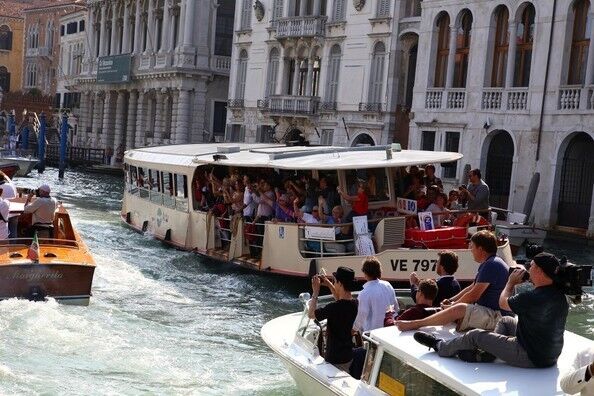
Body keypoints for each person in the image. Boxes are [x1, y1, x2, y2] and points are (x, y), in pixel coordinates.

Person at [413, 253, 570, 368]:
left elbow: (502, 303)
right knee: (506, 320)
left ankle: (440, 346)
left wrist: (510, 283)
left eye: (533, 266)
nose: (529, 268)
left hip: (529, 355)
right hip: (550, 355)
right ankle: (487, 353)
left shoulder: (532, 297)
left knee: (475, 335)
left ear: (541, 272)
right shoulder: (559, 295)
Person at [396, 230, 509, 332]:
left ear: (480, 249)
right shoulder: (492, 263)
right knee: (457, 308)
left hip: (496, 316)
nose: (471, 250)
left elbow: (473, 295)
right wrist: (451, 301)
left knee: (460, 308)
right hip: (492, 313)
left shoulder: (491, 265)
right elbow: (471, 288)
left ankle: (415, 324)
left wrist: (453, 305)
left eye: (472, 246)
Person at [308, 266, 358, 372]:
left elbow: (311, 314)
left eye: (334, 281)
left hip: (335, 359)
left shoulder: (333, 307)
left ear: (340, 283)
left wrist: (315, 292)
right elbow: (340, 299)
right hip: (348, 356)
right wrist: (329, 284)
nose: (334, 283)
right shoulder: (355, 303)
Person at [353, 257, 398, 332]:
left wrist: (354, 329)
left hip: (373, 334)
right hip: (390, 330)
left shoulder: (364, 293)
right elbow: (395, 307)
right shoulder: (388, 285)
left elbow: (361, 315)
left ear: (365, 272)